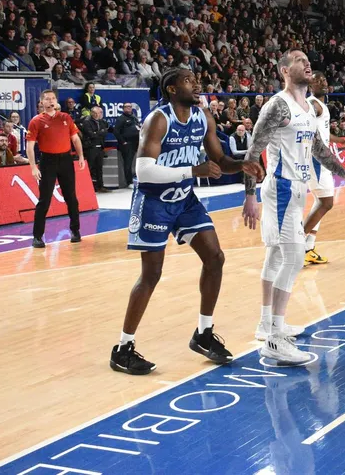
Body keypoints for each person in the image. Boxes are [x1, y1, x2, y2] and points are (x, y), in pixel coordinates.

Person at [111, 69, 264, 375]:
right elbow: (143, 170)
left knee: (215, 258)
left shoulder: (204, 117)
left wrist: (242, 165)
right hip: (154, 201)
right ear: (170, 89)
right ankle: (122, 349)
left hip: (184, 200)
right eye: (188, 81)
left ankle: (203, 334)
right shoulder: (159, 119)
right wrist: (191, 172)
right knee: (151, 275)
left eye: (196, 80)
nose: (196, 85)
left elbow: (219, 160)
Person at [240, 51, 345, 365]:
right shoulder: (278, 105)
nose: (306, 62)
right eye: (298, 59)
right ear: (284, 70)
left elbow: (319, 149)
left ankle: (267, 324)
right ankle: (274, 339)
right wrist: (249, 196)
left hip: (296, 190)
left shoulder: (308, 107)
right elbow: (253, 150)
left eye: (308, 59)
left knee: (277, 256)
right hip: (281, 188)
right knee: (295, 257)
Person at [303, 71, 345, 265]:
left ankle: (308, 248)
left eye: (324, 80)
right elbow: (309, 133)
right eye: (317, 81)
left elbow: (324, 134)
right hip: (317, 160)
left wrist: (343, 141)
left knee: (320, 203)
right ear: (310, 86)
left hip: (320, 159)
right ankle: (297, 246)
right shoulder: (312, 104)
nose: (322, 83)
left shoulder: (322, 105)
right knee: (326, 203)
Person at [27, 89, 87, 248]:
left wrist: (80, 156)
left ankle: (76, 231)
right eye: (47, 99)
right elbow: (30, 145)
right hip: (48, 161)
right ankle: (37, 236)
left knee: (71, 198)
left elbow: (75, 138)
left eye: (53, 98)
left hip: (66, 160)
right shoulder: (36, 121)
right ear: (42, 102)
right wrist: (33, 167)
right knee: (44, 200)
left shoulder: (65, 117)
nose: (50, 101)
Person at [79, 105, 110, 191]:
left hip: (100, 147)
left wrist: (98, 133)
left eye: (99, 113)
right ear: (91, 113)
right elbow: (91, 135)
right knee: (90, 168)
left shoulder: (102, 122)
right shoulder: (87, 122)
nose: (97, 115)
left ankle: (100, 186)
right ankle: (89, 187)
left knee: (99, 168)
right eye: (95, 113)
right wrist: (101, 132)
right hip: (91, 148)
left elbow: (105, 132)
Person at [113, 103, 141, 187]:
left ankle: (136, 178)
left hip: (136, 143)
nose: (128, 108)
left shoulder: (134, 117)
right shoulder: (121, 119)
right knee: (128, 163)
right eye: (126, 107)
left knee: (137, 162)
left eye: (130, 106)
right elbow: (116, 131)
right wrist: (123, 142)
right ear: (123, 108)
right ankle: (129, 182)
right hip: (127, 144)